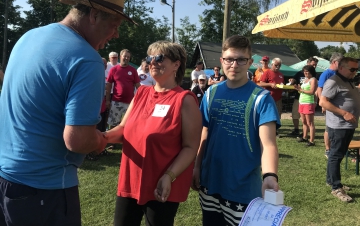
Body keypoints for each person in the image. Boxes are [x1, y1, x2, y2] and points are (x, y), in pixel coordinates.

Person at [0, 0, 135, 225]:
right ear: (94, 16)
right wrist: (101, 139)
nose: (116, 34)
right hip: (44, 188)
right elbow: (78, 140)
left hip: (6, 177)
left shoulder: (28, 37)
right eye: (114, 25)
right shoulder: (86, 59)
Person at [104, 41, 202, 226]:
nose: (153, 62)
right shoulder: (141, 92)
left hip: (162, 183)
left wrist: (169, 176)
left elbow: (190, 147)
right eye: (150, 58)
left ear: (176, 64)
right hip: (131, 179)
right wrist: (101, 138)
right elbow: (123, 130)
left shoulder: (184, 100)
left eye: (159, 58)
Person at [192, 35, 280, 226]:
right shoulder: (211, 93)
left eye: (241, 59)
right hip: (210, 183)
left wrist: (270, 176)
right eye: (230, 59)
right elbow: (204, 133)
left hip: (243, 188)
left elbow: (268, 144)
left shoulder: (262, 98)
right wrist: (197, 166)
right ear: (222, 61)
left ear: (249, 62)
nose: (234, 65)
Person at [319, 57, 360, 202]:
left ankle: (331, 180)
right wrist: (344, 113)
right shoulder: (333, 81)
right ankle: (336, 187)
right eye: (352, 69)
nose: (355, 72)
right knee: (335, 156)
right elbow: (323, 101)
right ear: (341, 67)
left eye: (356, 69)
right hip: (339, 125)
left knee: (339, 154)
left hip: (347, 125)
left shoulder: (348, 81)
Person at [316, 52, 343, 158]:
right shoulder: (326, 74)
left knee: (338, 127)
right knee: (328, 128)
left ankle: (337, 148)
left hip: (338, 106)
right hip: (329, 105)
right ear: (335, 62)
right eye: (341, 63)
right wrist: (323, 105)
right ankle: (328, 149)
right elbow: (319, 89)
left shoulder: (339, 74)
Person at [106, 49, 140, 128]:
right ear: (120, 57)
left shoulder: (133, 70)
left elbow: (138, 86)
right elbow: (109, 85)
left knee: (128, 124)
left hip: (130, 102)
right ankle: (112, 140)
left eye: (128, 57)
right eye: (125, 56)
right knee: (113, 124)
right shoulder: (114, 69)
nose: (127, 58)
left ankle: (125, 139)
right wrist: (107, 100)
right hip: (116, 101)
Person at [288, 57, 318, 137]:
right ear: (308, 63)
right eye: (313, 65)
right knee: (301, 119)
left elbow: (314, 91)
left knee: (309, 122)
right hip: (300, 100)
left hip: (308, 101)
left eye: (315, 65)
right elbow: (294, 81)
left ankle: (311, 139)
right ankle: (301, 134)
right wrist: (296, 87)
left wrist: (315, 101)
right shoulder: (302, 77)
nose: (314, 66)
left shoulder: (314, 78)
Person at [294, 65, 318, 146]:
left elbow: (312, 92)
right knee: (303, 121)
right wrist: (298, 89)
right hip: (302, 102)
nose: (305, 73)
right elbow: (302, 91)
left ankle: (312, 141)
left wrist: (301, 90)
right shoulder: (305, 80)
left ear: (311, 72)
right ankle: (304, 137)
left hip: (308, 103)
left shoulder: (313, 80)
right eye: (304, 71)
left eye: (307, 71)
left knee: (310, 123)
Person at [259, 58, 285, 124]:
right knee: (269, 115)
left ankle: (275, 130)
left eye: (279, 65)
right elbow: (261, 83)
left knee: (278, 115)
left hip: (278, 98)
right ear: (272, 64)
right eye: (276, 65)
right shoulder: (267, 72)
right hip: (269, 97)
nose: (277, 67)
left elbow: (282, 84)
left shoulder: (281, 74)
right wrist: (270, 84)